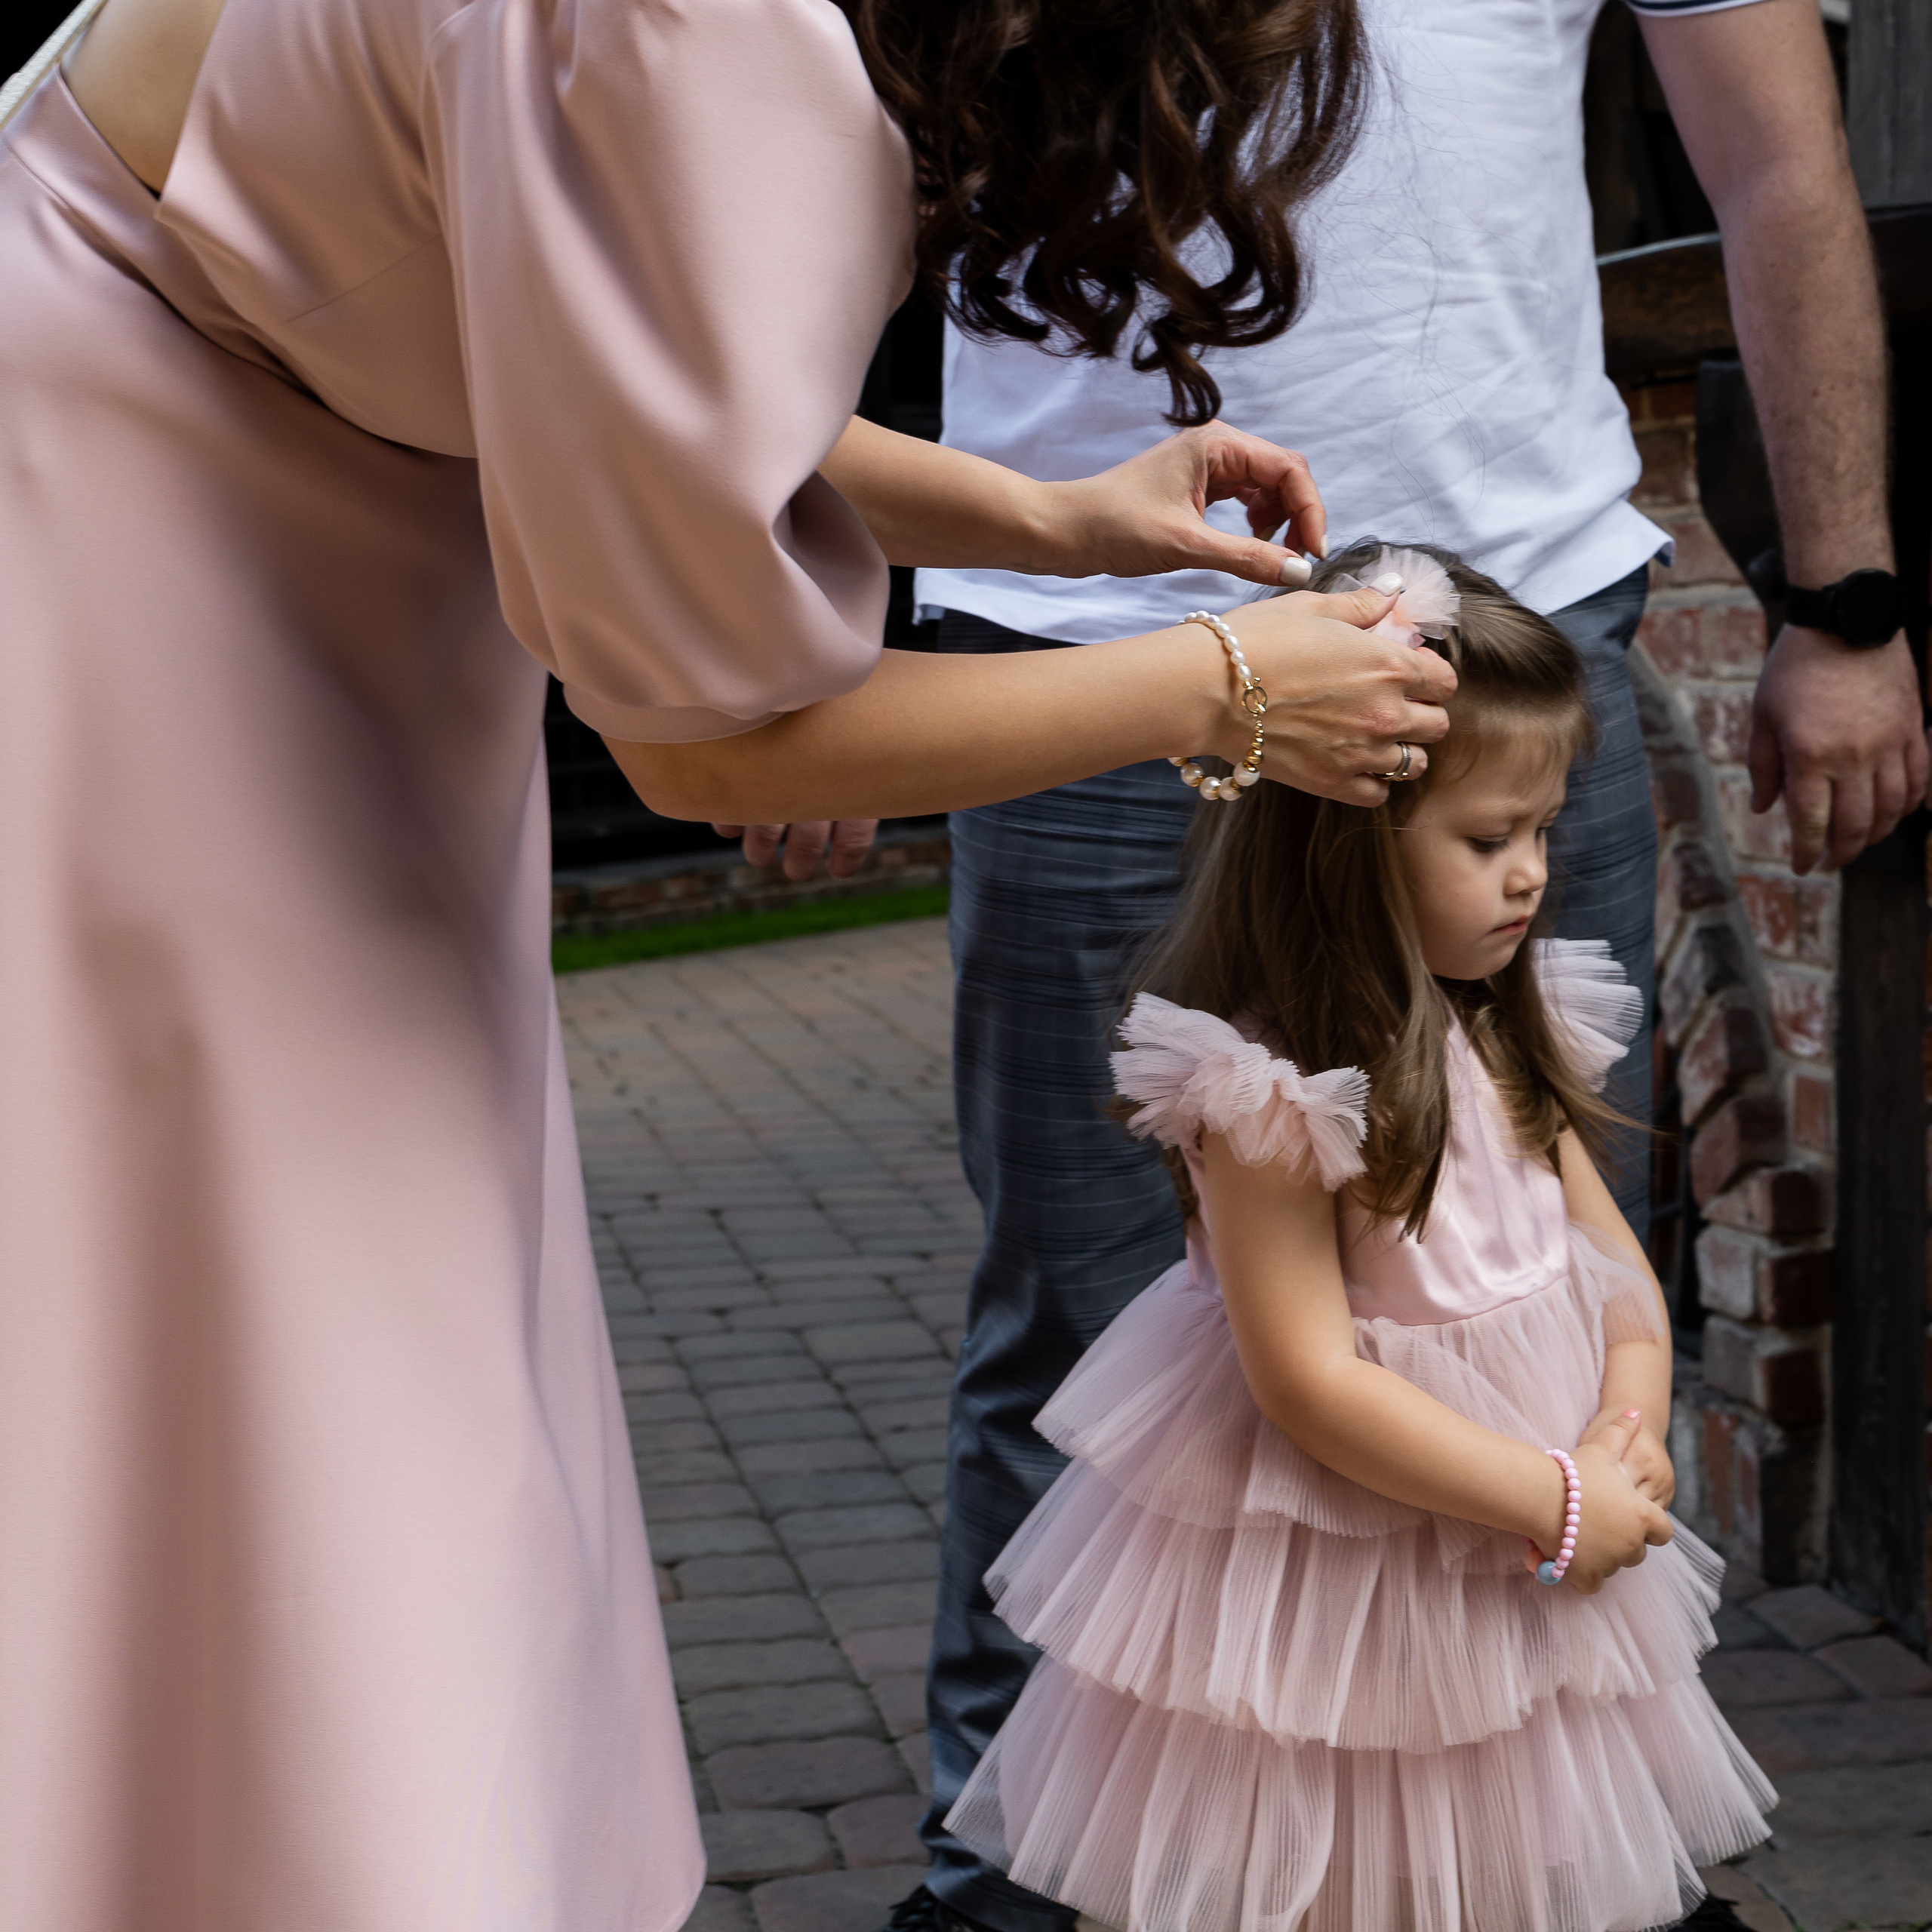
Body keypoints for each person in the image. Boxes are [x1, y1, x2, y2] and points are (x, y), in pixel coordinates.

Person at [0, 0, 1455, 1925]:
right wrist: (1225, 685)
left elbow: (604, 358)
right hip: (145, 550)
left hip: (272, 496)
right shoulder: (700, 23)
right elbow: (704, 744)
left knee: (341, 1325)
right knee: (295, 1333)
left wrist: (1041, 523)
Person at [818, 5, 1915, 1927]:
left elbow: (1775, 159)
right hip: (1066, 647)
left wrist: (1841, 596)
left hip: (1492, 636)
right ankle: (1018, 1881)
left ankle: (1571, 1867)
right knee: (1080, 1336)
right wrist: (777, 634)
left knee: (1522, 1299)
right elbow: (813, 182)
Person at [942, 543, 1777, 1932]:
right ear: (1343, 841)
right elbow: (1309, 1382)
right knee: (1365, 1859)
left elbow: (1611, 1262)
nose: (1530, 878)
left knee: (1525, 1825)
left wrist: (1628, 1422)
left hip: (1528, 1544)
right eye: (1485, 839)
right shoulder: (1268, 1098)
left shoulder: (1508, 1019)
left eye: (1541, 832)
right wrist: (1556, 1501)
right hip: (1353, 1574)